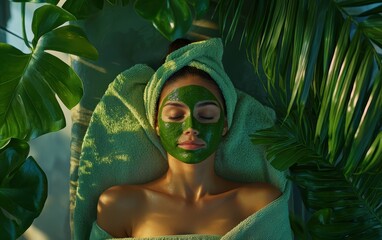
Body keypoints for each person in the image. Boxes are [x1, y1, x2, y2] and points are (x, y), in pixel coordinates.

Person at [94, 39, 282, 238]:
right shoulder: (119, 205)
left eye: (207, 116)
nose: (191, 128)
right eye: (175, 116)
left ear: (225, 125)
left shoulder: (259, 205)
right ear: (156, 124)